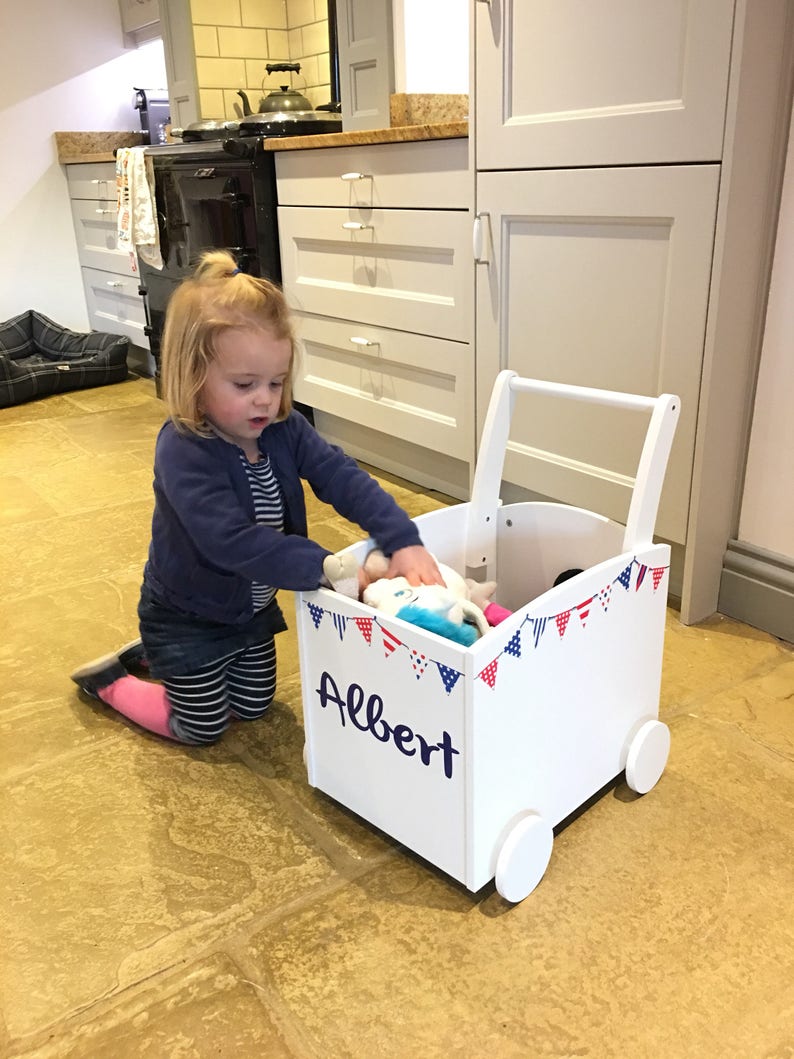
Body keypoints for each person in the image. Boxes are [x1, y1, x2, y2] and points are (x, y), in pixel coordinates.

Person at [70, 251, 443, 745]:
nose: (265, 399)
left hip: (248, 609)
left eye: (277, 382)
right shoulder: (183, 448)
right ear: (194, 379)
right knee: (202, 727)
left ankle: (157, 660)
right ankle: (113, 682)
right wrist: (331, 567)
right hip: (186, 613)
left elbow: (340, 475)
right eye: (245, 385)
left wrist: (402, 538)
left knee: (254, 706)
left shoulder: (284, 428)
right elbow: (231, 542)